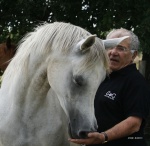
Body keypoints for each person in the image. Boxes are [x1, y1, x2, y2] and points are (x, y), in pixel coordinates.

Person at [69, 28, 150, 146]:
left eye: (121, 48)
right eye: (110, 47)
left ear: (134, 55)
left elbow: (134, 123)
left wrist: (104, 137)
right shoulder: (100, 77)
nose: (113, 52)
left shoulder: (136, 82)